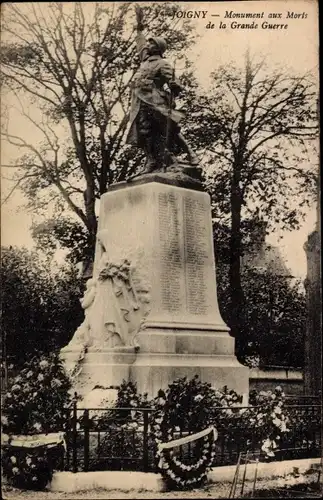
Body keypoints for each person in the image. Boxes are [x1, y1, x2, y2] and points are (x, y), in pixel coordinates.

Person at [126, 5, 199, 174]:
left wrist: (175, 86)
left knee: (169, 127)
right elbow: (140, 42)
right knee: (145, 131)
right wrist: (139, 25)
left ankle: (190, 153)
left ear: (158, 48)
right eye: (149, 43)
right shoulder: (145, 59)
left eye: (151, 43)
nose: (148, 45)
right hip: (140, 100)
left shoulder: (163, 64)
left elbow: (175, 83)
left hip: (155, 99)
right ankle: (151, 160)